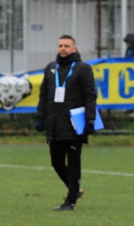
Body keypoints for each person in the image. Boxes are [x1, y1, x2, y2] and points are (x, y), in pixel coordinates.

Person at [35, 35, 97, 212]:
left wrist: (90, 119)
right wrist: (40, 117)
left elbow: (90, 96)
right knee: (56, 162)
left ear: (74, 49)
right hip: (54, 124)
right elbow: (44, 95)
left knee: (74, 163)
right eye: (60, 45)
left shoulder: (83, 68)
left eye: (67, 46)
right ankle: (75, 189)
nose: (63, 48)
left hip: (74, 124)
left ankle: (71, 201)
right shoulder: (51, 68)